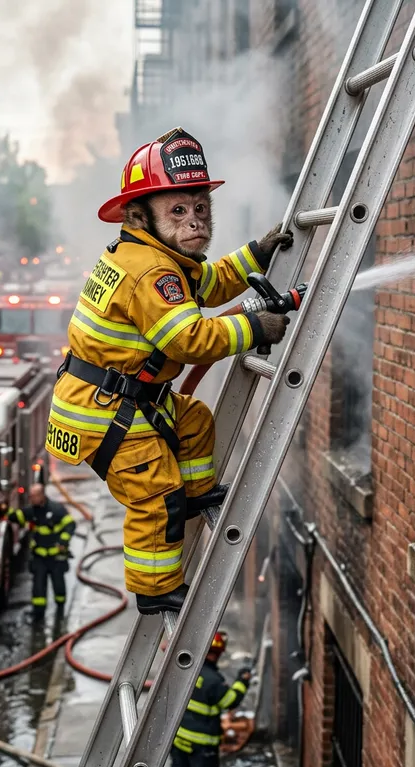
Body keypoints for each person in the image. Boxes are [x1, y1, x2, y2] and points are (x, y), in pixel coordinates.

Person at [44, 127, 294, 614]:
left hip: (127, 399)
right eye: (177, 211)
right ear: (141, 216)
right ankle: (154, 588)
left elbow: (211, 282)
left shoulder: (159, 257)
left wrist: (255, 255)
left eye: (200, 208)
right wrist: (254, 326)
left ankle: (197, 496)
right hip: (106, 413)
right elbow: (189, 339)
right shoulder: (152, 272)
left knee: (196, 421)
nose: (195, 221)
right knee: (156, 495)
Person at [164, 631, 250, 767]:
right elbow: (230, 701)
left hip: (179, 737)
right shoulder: (214, 681)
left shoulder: (186, 670)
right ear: (218, 654)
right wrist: (242, 681)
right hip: (202, 745)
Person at [0, 483, 76, 621]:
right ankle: (38, 615)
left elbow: (70, 524)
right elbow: (17, 516)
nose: (30, 499)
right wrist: (3, 508)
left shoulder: (57, 510)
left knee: (59, 586)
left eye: (33, 496)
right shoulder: (32, 511)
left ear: (41, 496)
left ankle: (61, 612)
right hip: (39, 558)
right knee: (38, 589)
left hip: (55, 558)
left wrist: (63, 542)